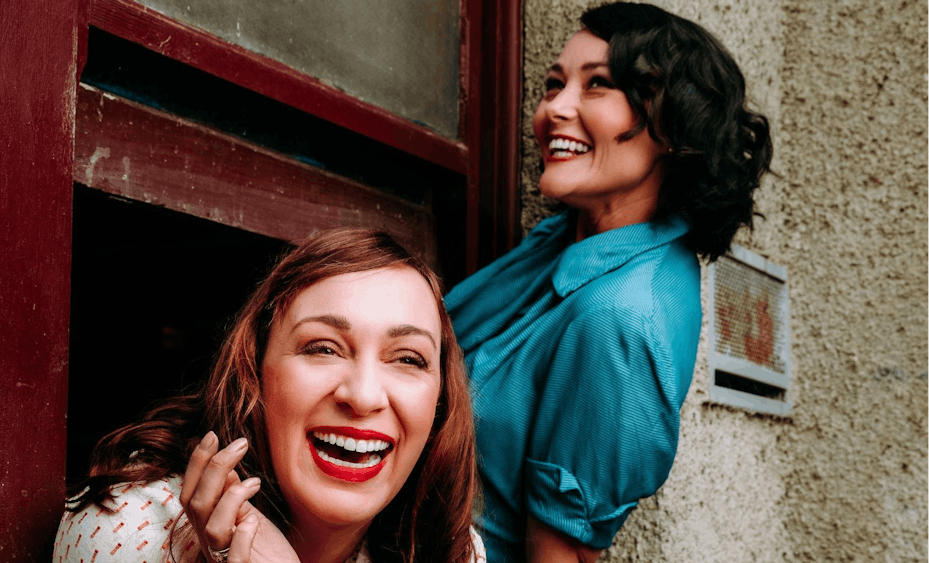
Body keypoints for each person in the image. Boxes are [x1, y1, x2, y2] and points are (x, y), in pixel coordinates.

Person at [444, 3, 773, 562]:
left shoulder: (622, 315)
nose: (554, 110)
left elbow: (561, 555)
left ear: (672, 122)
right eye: (554, 84)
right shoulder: (563, 239)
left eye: (597, 85)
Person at [53, 229, 485, 563]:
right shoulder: (131, 528)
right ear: (254, 373)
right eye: (323, 348)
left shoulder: (451, 549)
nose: (363, 395)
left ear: (441, 402)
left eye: (408, 359)